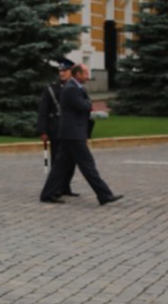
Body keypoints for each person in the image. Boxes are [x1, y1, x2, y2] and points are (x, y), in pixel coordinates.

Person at [39, 64, 123, 207]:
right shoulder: (71, 89)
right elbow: (84, 106)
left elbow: (84, 105)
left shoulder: (75, 88)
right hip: (72, 134)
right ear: (78, 74)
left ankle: (47, 194)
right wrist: (88, 103)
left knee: (60, 166)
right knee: (87, 164)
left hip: (71, 133)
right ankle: (104, 194)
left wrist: (87, 103)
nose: (88, 77)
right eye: (85, 74)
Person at [37, 60, 80, 201]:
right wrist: (43, 130)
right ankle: (56, 189)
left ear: (71, 72)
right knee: (57, 160)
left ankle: (65, 186)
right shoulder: (52, 88)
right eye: (60, 70)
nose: (61, 73)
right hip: (56, 128)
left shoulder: (76, 87)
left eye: (65, 70)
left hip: (72, 128)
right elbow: (43, 110)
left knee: (72, 159)